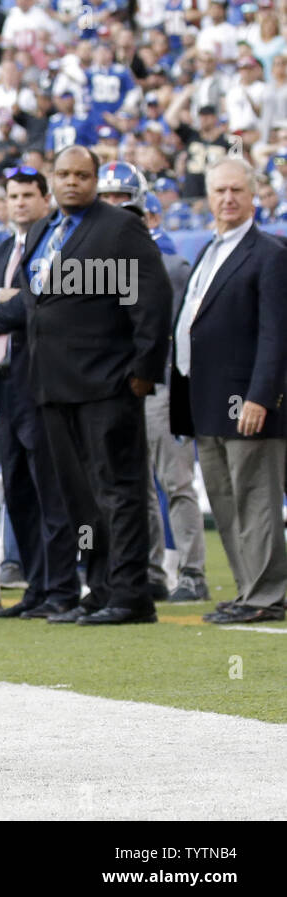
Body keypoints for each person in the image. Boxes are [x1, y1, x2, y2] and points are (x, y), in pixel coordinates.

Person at [10, 146, 171, 624]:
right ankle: (98, 588)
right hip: (52, 387)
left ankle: (130, 595)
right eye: (63, 174)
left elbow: (152, 298)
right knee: (78, 496)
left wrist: (144, 371)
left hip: (108, 383)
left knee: (118, 491)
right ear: (52, 179)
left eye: (82, 175)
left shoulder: (121, 226)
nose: (72, 182)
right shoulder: (42, 230)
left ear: (97, 179)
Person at [0, 166, 80, 619]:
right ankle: (36, 587)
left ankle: (63, 589)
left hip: (41, 382)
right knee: (19, 492)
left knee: (51, 490)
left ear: (45, 200)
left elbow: (37, 308)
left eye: (29, 194)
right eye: (13, 195)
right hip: (3, 386)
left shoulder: (55, 244)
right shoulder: (2, 248)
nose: (21, 202)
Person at [170, 157, 287, 624]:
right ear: (209, 197)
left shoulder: (271, 254)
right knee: (225, 499)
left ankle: (266, 594)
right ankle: (248, 591)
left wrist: (261, 396)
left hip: (248, 403)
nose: (228, 199)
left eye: (237, 190)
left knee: (256, 499)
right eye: (220, 191)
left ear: (253, 194)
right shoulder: (209, 250)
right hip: (208, 400)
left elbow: (276, 334)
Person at [98, 162, 208, 603]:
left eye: (119, 201)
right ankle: (150, 571)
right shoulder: (106, 256)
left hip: (160, 384)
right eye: (105, 200)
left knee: (174, 480)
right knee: (136, 483)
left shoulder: (169, 261)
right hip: (124, 386)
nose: (111, 209)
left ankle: (193, 572)